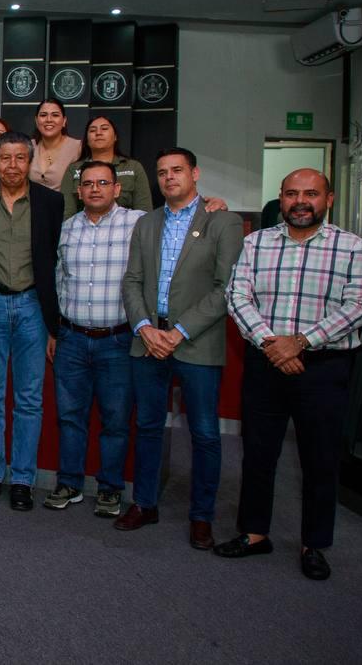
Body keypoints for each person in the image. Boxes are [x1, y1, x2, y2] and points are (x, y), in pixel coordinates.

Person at [216, 169, 362, 580]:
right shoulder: (256, 242)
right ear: (281, 198)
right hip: (266, 360)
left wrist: (301, 342)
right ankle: (254, 533)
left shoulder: (352, 247)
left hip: (323, 367)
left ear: (329, 199)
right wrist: (273, 344)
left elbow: (359, 305)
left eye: (310, 194)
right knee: (258, 454)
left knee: (319, 460)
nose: (300, 201)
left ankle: (314, 545)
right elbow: (237, 296)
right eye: (291, 194)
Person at [118, 147, 243, 549]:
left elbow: (226, 288)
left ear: (195, 173)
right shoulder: (147, 222)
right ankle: (145, 503)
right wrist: (144, 327)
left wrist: (180, 332)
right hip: (149, 340)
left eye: (177, 170)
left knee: (204, 433)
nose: (169, 177)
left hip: (196, 342)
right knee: (148, 426)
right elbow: (132, 280)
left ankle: (201, 516)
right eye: (162, 172)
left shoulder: (222, 221)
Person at [43, 160, 146, 518]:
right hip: (71, 338)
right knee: (70, 416)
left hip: (117, 340)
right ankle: (69, 483)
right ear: (79, 190)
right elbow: (59, 280)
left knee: (115, 420)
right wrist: (55, 329)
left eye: (103, 183)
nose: (95, 189)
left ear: (117, 189)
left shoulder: (137, 224)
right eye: (88, 183)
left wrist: (213, 204)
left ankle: (110, 488)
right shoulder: (67, 228)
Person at [0, 131, 64, 511]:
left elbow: (56, 259)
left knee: (29, 399)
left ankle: (23, 479)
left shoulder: (51, 202)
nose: (12, 165)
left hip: (32, 307)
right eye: (5, 158)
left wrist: (54, 322)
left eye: (19, 158)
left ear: (30, 161)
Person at [57, 114, 152, 219]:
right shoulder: (73, 169)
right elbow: (66, 213)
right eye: (93, 130)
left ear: (115, 137)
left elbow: (145, 213)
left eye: (104, 129)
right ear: (86, 140)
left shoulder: (133, 167)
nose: (98, 133)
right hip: (83, 227)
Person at [28, 99, 82, 191]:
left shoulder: (78, 148)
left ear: (64, 121)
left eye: (55, 115)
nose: (49, 120)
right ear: (36, 121)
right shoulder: (27, 146)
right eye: (43, 115)